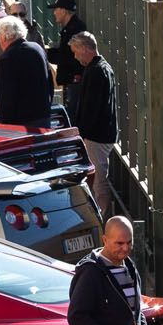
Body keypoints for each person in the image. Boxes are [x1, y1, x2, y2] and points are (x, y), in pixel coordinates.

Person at [68, 214, 148, 325]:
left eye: (129, 242)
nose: (125, 248)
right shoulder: (90, 272)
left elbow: (135, 309)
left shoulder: (130, 266)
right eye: (119, 243)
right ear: (104, 240)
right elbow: (77, 318)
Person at [69, 31, 118, 220]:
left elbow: (92, 108)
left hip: (97, 135)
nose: (75, 56)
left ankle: (101, 219)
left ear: (85, 49)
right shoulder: (102, 67)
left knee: (98, 181)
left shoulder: (96, 71)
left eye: (76, 52)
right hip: (102, 133)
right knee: (98, 178)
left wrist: (82, 133)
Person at [0, 14, 55, 130]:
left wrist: (6, 125)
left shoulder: (8, 57)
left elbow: (5, 97)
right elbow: (50, 82)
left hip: (20, 123)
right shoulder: (37, 49)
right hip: (43, 116)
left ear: (4, 37)